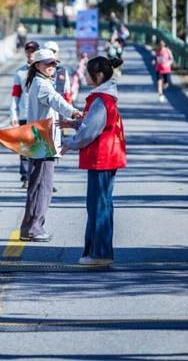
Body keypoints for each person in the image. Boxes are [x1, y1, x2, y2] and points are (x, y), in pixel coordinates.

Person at [62, 56, 126, 266]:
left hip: (102, 157)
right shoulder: (106, 97)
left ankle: (100, 254)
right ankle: (97, 252)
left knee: (98, 206)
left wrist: (70, 143)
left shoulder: (101, 100)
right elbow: (92, 124)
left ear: (98, 75)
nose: (85, 76)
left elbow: (89, 132)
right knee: (101, 204)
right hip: (107, 157)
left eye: (88, 73)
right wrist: (73, 124)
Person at [19, 49, 82, 242]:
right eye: (48, 63)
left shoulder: (38, 82)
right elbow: (57, 101)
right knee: (43, 187)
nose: (52, 66)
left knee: (36, 186)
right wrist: (74, 113)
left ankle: (28, 228)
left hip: (39, 140)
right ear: (37, 65)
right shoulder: (42, 84)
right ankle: (35, 229)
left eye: (54, 63)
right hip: (44, 141)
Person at [10, 40, 40, 188]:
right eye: (28, 51)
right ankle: (25, 177)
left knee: (40, 148)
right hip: (24, 114)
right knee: (25, 148)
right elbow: (15, 95)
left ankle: (39, 177)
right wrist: (14, 115)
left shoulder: (44, 71)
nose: (30, 54)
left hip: (40, 115)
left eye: (33, 51)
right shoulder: (20, 73)